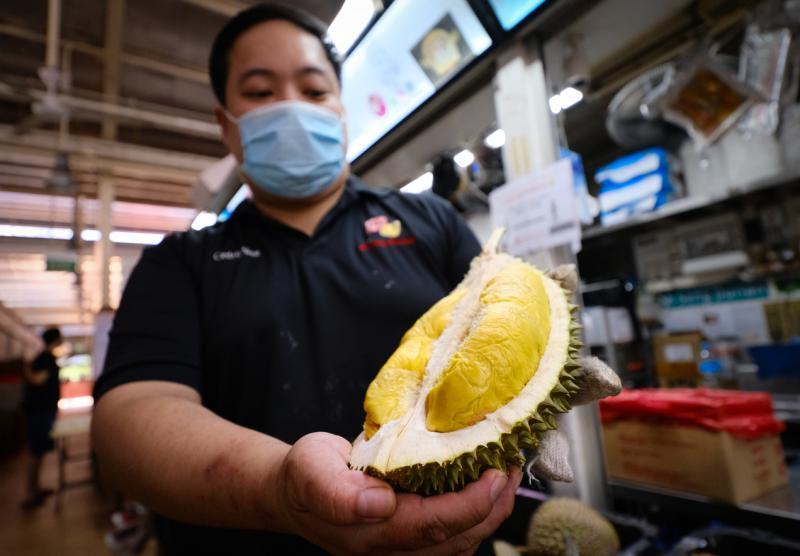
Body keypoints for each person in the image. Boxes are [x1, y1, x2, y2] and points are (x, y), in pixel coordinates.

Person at [91, 3, 522, 554]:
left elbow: (499, 327)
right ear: (227, 124)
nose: (292, 106)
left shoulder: (431, 221)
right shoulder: (181, 262)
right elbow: (130, 416)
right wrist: (279, 487)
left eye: (315, 90)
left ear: (341, 110)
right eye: (261, 91)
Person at [20, 327, 62, 510]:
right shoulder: (46, 359)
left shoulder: (45, 358)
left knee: (40, 451)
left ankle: (36, 488)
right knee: (36, 452)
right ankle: (31, 493)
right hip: (40, 412)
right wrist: (26, 368)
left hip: (43, 411)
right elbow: (38, 380)